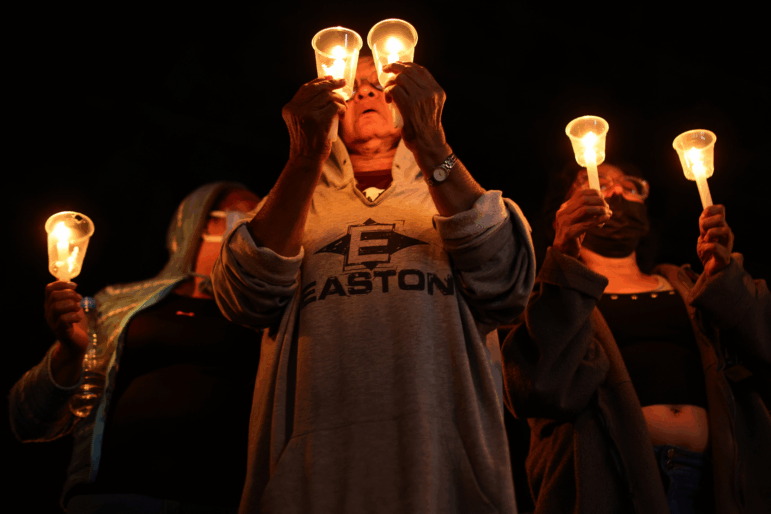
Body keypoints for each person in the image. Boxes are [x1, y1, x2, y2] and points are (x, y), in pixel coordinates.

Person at [210, 53, 536, 513]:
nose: (365, 92)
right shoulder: (291, 207)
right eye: (352, 85)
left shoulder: (458, 198)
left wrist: (432, 145)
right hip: (307, 482)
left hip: (447, 480)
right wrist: (305, 158)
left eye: (380, 82)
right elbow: (242, 298)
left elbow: (508, 285)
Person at [502, 163, 771, 513]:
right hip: (609, 486)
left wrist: (725, 279)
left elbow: (763, 351)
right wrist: (564, 259)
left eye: (630, 186)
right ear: (564, 211)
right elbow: (534, 387)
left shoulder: (694, 286)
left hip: (713, 487)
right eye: (596, 181)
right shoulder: (549, 295)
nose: (616, 191)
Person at [9, 182, 262, 513]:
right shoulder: (117, 306)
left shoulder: (268, 319)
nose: (258, 222)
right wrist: (70, 353)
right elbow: (28, 419)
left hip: (219, 501)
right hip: (113, 497)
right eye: (243, 212)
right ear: (199, 224)